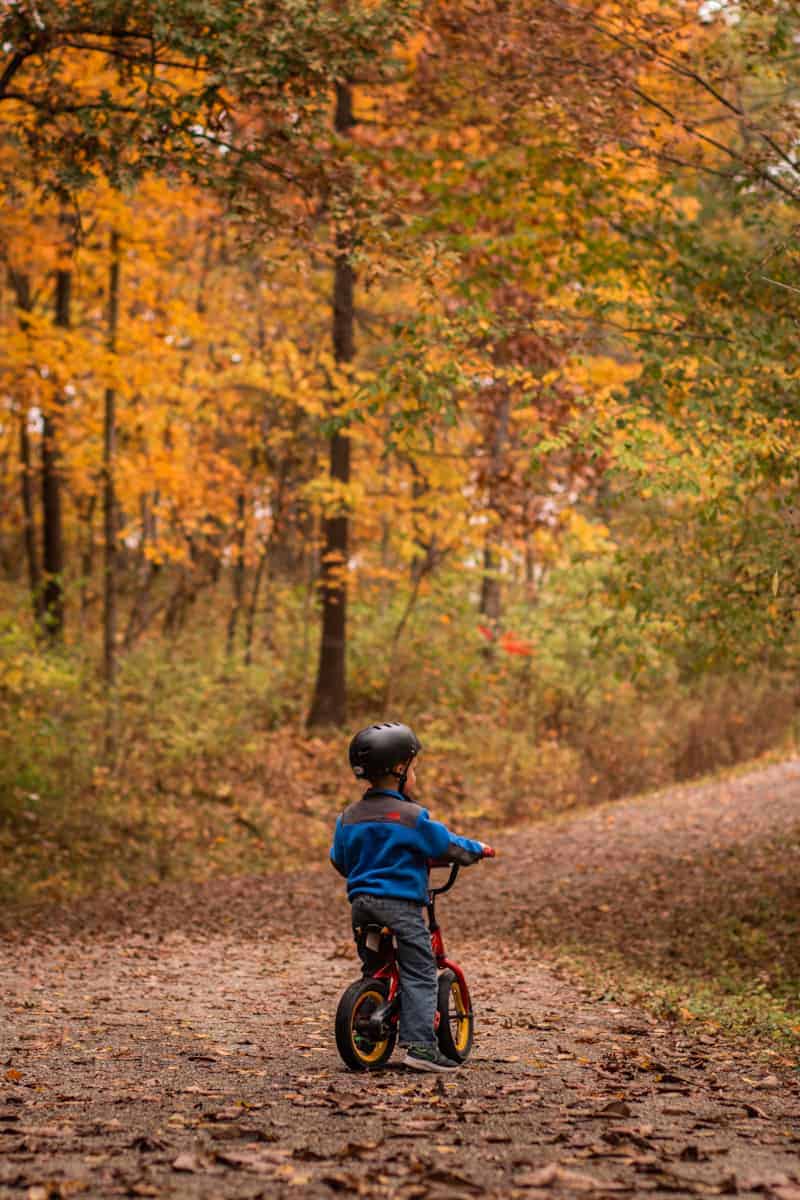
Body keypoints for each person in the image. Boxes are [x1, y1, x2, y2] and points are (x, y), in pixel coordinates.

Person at [330, 721, 493, 1073]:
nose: (415, 774)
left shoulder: (348, 818)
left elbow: (339, 859)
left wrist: (366, 872)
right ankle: (421, 1047)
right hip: (400, 908)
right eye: (414, 768)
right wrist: (476, 849)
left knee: (379, 965)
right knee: (419, 970)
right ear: (400, 769)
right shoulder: (412, 817)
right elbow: (445, 845)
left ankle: (373, 1013)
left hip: (362, 908)